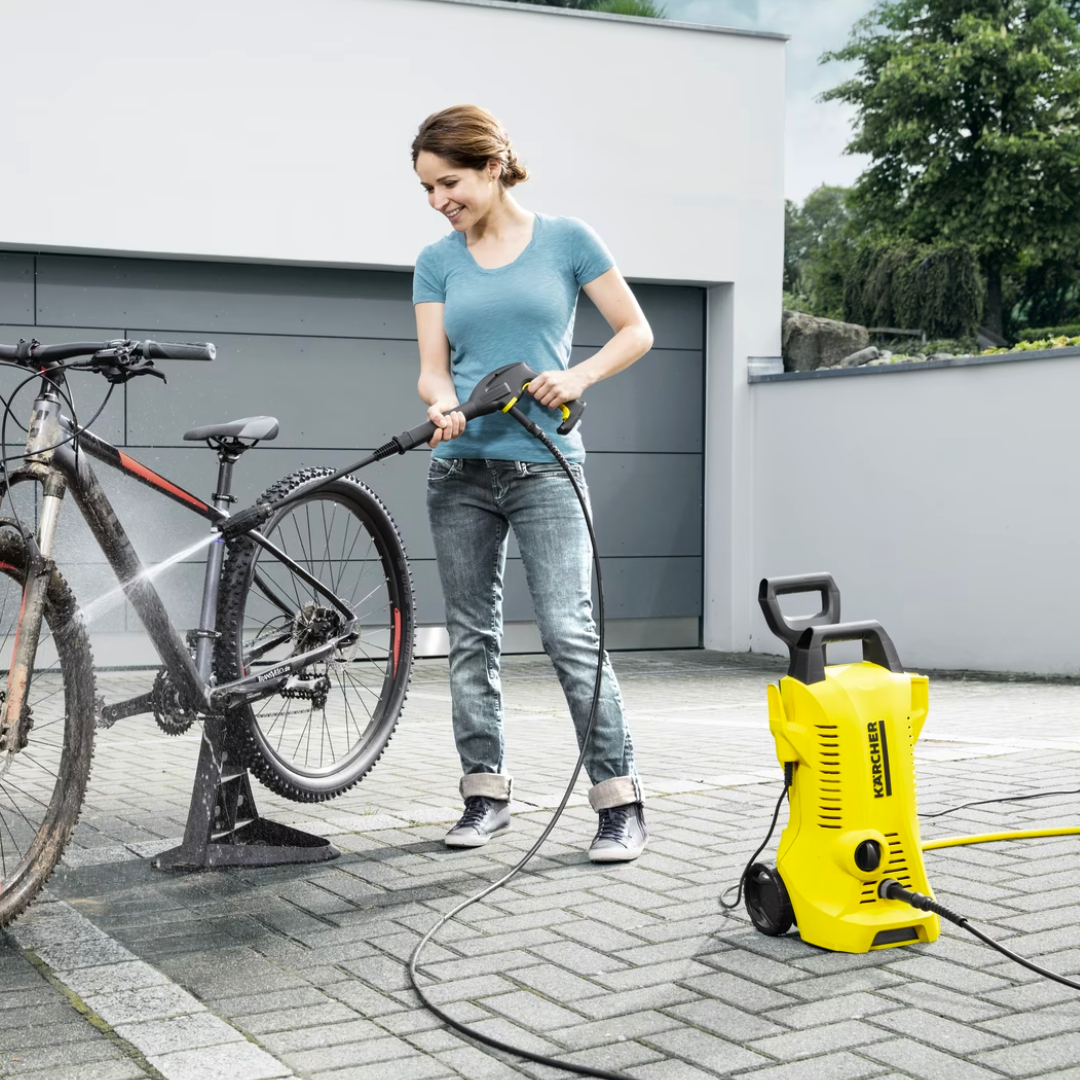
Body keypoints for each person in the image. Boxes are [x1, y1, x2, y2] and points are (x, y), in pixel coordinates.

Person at [411, 104, 653, 862]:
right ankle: (484, 795)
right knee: (471, 639)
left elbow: (636, 330)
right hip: (460, 472)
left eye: (448, 181)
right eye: (424, 188)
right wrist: (441, 403)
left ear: (490, 166)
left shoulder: (567, 241)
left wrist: (574, 376)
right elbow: (432, 369)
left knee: (569, 632)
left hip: (546, 467)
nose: (438, 200)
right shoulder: (437, 261)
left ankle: (618, 802)